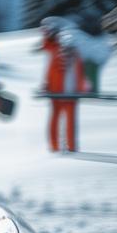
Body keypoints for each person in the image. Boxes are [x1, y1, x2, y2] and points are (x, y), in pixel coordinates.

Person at [38, 17, 89, 153]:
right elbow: (47, 48)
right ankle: (55, 148)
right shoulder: (53, 48)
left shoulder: (75, 52)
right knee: (56, 119)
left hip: (70, 92)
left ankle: (70, 147)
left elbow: (81, 71)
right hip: (57, 91)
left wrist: (83, 87)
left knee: (69, 121)